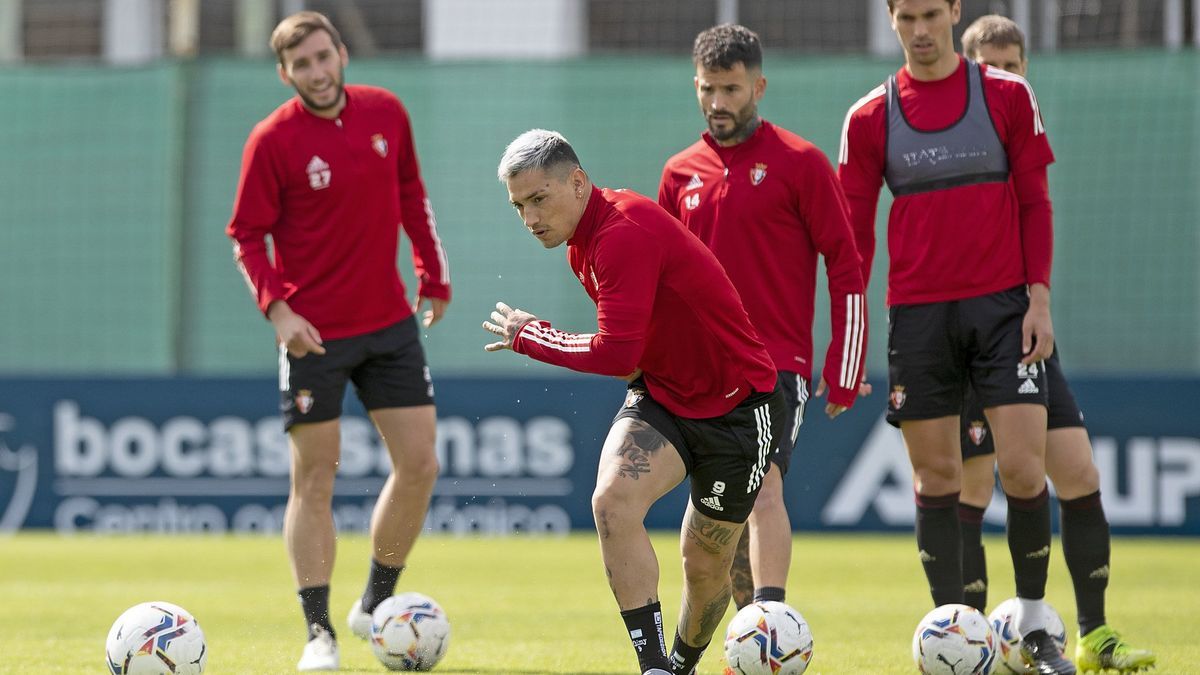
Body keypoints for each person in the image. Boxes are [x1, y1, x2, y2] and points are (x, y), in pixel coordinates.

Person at [485, 129, 784, 675]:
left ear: (578, 182)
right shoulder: (582, 243)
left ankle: (682, 663)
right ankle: (653, 668)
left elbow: (615, 351)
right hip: (663, 393)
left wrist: (533, 336)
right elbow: (631, 361)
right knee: (611, 503)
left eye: (539, 199)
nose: (529, 218)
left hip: (738, 406)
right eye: (519, 206)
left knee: (705, 565)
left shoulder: (622, 233)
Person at [837, 1, 1075, 672]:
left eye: (931, 14)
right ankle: (953, 635)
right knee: (936, 475)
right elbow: (851, 242)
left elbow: (1035, 201)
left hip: (1005, 311)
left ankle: (1033, 626)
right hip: (917, 316)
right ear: (890, 17)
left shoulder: (1006, 95)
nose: (919, 29)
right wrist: (845, 348)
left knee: (1025, 467)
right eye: (906, 15)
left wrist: (1039, 298)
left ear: (954, 11)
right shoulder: (867, 118)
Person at [226, 11, 451, 671]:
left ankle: (374, 602)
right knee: (315, 479)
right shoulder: (272, 140)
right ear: (285, 73)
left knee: (421, 464)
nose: (318, 73)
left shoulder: (387, 112)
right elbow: (245, 234)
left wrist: (433, 276)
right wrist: (278, 310)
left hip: (389, 325)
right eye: (303, 65)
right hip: (313, 338)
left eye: (324, 57)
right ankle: (318, 632)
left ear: (342, 53)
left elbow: (413, 194)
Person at [955, 15, 1155, 672]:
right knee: (976, 485)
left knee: (1079, 473)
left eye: (1016, 67)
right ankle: (974, 639)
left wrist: (1038, 304)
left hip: (1026, 331)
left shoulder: (1023, 140)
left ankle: (1093, 635)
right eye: (993, 67)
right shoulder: (956, 141)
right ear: (968, 69)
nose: (1008, 78)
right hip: (965, 334)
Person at [658, 24, 868, 610]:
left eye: (731, 88)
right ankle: (737, 635)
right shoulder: (679, 174)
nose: (718, 103)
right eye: (707, 89)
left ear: (759, 86)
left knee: (763, 489)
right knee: (715, 506)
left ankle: (770, 626)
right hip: (698, 369)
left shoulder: (801, 163)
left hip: (776, 363)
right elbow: (662, 280)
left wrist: (844, 363)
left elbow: (845, 265)